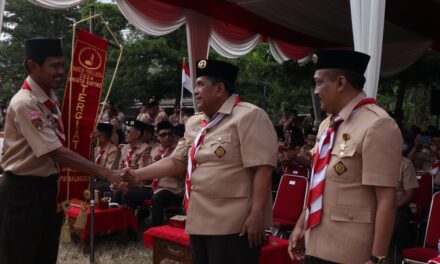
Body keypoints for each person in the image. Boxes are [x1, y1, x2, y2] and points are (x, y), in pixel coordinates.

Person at [123, 60, 277, 264]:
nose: (195, 91)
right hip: (198, 219)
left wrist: (257, 215)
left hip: (233, 223)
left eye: (201, 84)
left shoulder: (249, 116)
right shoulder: (195, 122)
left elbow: (263, 168)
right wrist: (137, 175)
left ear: (220, 89)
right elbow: (177, 161)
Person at [0, 38, 120, 264]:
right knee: (19, 256)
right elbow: (55, 151)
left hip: (48, 189)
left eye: (63, 65)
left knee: (45, 255)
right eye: (54, 66)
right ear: (33, 66)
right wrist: (107, 173)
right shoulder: (25, 103)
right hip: (22, 191)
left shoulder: (50, 99)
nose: (61, 72)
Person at [288, 50, 402, 264]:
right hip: (315, 243)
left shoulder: (377, 124)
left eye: (319, 83)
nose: (315, 91)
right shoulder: (327, 124)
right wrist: (301, 225)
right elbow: (319, 183)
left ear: (340, 82)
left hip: (350, 252)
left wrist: (377, 258)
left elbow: (386, 198)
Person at [113, 119, 152, 212]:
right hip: (125, 182)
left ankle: (128, 223)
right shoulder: (125, 148)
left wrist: (125, 183)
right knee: (114, 190)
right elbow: (120, 167)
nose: (125, 133)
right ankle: (115, 220)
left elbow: (143, 174)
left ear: (137, 134)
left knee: (124, 193)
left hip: (139, 184)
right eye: (125, 131)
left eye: (128, 131)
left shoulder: (145, 148)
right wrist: (116, 180)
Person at [149, 121, 184, 226]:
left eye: (170, 134)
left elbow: (182, 175)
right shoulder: (154, 151)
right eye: (163, 135)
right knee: (130, 193)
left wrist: (163, 166)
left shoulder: (179, 152)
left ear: (174, 136)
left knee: (158, 198)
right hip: (154, 187)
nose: (167, 137)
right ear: (158, 137)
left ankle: (155, 229)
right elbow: (148, 173)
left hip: (173, 190)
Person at [391, 156, 418, 262]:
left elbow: (409, 194)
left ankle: (405, 257)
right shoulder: (374, 160)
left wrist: (390, 209)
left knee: (398, 222)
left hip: (398, 206)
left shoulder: (405, 164)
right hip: (375, 205)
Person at [93, 122, 120, 194]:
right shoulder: (97, 149)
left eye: (96, 135)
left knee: (92, 186)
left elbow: (108, 172)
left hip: (106, 181)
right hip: (95, 178)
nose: (94, 137)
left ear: (102, 137)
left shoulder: (113, 150)